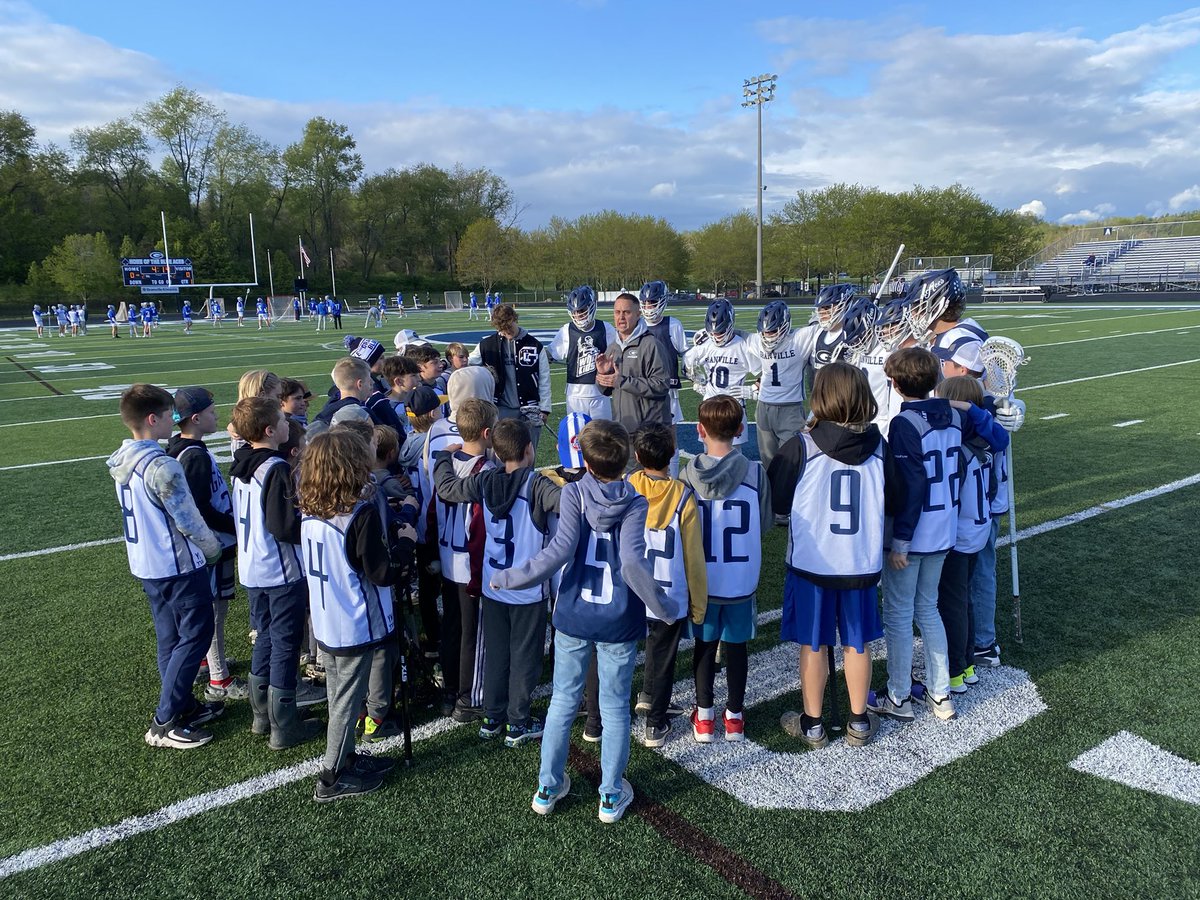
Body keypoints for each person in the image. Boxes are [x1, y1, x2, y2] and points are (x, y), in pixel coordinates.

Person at [489, 419, 672, 824]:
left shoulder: (572, 493)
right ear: (626, 463)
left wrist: (509, 577)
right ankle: (609, 794)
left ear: (586, 463)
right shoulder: (636, 501)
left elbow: (556, 554)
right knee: (614, 707)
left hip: (573, 612)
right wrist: (664, 605)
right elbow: (631, 564)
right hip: (618, 617)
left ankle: (548, 786)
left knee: (563, 701)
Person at [869, 348, 1007, 724]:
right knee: (928, 610)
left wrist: (900, 540)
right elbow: (1000, 439)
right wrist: (971, 408)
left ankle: (898, 696)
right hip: (945, 530)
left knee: (898, 615)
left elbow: (911, 484)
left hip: (914, 535)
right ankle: (941, 692)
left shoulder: (904, 423)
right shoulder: (951, 415)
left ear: (895, 385)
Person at [769, 363, 886, 748]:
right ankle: (858, 720)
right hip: (861, 562)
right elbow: (896, 501)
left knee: (814, 643)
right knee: (858, 643)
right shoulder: (881, 447)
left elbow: (778, 499)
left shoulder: (802, 445)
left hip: (813, 565)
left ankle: (814, 723)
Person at [433, 417, 562, 746]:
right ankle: (517, 721)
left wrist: (443, 458)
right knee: (525, 657)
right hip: (526, 588)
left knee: (496, 654)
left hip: (493, 584)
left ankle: (492, 716)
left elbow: (447, 488)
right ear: (529, 449)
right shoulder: (536, 485)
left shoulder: (486, 479)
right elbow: (570, 506)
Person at [108, 384, 224, 749]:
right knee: (194, 636)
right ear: (152, 419)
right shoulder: (161, 464)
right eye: (168, 415)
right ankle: (165, 720)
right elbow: (188, 520)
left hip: (147, 562)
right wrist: (213, 549)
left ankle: (183, 705)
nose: (173, 422)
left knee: (170, 638)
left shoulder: (122, 458)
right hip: (175, 564)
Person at [297, 429, 404, 801]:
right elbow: (380, 572)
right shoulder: (358, 515)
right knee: (345, 700)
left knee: (338, 695)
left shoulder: (310, 509)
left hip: (328, 619)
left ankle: (345, 757)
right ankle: (332, 775)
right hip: (355, 621)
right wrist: (404, 542)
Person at [230, 397, 326, 748]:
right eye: (282, 422)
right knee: (285, 641)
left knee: (266, 636)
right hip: (279, 568)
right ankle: (284, 723)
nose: (289, 425)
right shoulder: (274, 467)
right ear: (270, 431)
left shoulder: (242, 464)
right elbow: (282, 525)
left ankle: (260, 715)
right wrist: (310, 519)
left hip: (253, 565)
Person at [680, 395, 771, 742]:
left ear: (700, 430)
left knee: (704, 647)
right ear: (739, 430)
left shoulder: (687, 474)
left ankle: (704, 716)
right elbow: (762, 525)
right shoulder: (755, 472)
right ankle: (734, 716)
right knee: (736, 648)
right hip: (740, 577)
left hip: (702, 579)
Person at [628, 424, 707, 747]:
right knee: (663, 659)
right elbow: (693, 556)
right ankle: (655, 722)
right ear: (672, 455)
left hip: (632, 590)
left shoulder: (628, 487)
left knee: (624, 654)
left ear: (636, 455)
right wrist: (698, 604)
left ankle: (637, 701)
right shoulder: (682, 495)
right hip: (668, 592)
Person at [167, 388, 246, 704]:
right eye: (213, 413)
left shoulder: (180, 448)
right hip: (213, 546)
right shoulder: (195, 456)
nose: (218, 417)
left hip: (205, 546)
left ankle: (206, 661)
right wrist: (236, 526)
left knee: (209, 611)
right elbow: (201, 510)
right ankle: (220, 679)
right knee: (215, 612)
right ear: (196, 419)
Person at [432, 398, 498, 722]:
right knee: (474, 632)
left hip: (447, 559)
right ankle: (469, 698)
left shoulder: (445, 463)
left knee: (453, 627)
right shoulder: (486, 472)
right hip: (470, 565)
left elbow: (434, 509)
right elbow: (481, 527)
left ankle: (450, 690)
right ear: (488, 433)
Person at [934, 375, 996, 695]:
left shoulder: (959, 449)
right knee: (964, 599)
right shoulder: (983, 444)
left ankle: (956, 669)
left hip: (959, 535)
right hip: (977, 531)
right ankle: (968, 662)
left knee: (952, 602)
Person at [746, 300, 818, 474]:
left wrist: (817, 320)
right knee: (768, 462)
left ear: (785, 326)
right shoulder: (756, 341)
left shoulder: (799, 339)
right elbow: (732, 335)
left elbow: (824, 328)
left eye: (773, 330)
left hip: (790, 409)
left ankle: (791, 499)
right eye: (766, 331)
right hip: (763, 407)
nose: (769, 335)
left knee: (792, 463)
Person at [468, 304, 551, 446]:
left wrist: (545, 409)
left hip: (530, 409)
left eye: (510, 327)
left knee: (528, 452)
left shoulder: (535, 345)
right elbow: (468, 363)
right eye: (503, 330)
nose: (507, 332)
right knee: (502, 454)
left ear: (514, 318)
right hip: (501, 409)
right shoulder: (487, 345)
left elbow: (544, 378)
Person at [595, 292, 671, 443]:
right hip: (623, 431)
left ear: (638, 314)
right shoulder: (613, 348)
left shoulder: (652, 345)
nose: (621, 317)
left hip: (649, 433)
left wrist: (622, 381)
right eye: (617, 312)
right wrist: (604, 375)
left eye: (626, 312)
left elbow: (661, 385)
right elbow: (606, 391)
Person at [683, 300, 756, 446]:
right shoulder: (705, 344)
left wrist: (752, 390)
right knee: (708, 452)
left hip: (733, 407)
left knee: (734, 453)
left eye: (720, 332)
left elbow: (766, 370)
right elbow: (687, 362)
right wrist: (697, 380)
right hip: (710, 404)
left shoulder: (742, 346)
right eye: (713, 332)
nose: (716, 336)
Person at [549, 285, 617, 420]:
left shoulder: (606, 328)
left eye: (581, 310)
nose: (578, 315)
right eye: (575, 312)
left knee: (604, 436)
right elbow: (551, 354)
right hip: (575, 393)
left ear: (591, 307)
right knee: (577, 436)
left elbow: (618, 357)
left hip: (600, 392)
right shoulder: (566, 330)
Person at [638, 281, 689, 423]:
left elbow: (685, 351)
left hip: (668, 384)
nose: (648, 307)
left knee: (669, 423)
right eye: (645, 303)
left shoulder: (673, 325)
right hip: (644, 383)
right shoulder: (637, 325)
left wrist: (689, 368)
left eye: (652, 303)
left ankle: (674, 447)